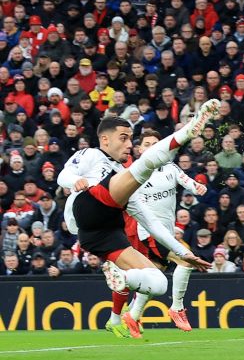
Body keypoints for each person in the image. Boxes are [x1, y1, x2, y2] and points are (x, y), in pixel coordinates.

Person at [57, 102, 218, 338]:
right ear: (105, 140)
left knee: (159, 282)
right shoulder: (92, 155)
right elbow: (63, 175)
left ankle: (122, 279)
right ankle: (188, 130)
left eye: (130, 138)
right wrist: (75, 181)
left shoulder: (124, 182)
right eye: (123, 138)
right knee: (144, 166)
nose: (128, 144)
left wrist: (183, 253)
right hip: (87, 206)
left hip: (103, 235)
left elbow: (152, 223)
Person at [125, 129, 208, 332]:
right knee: (186, 261)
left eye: (156, 143)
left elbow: (187, 182)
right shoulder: (135, 173)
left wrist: (197, 186)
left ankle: (132, 316)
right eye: (147, 144)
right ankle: (177, 307)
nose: (152, 147)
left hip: (166, 233)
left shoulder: (171, 168)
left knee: (155, 276)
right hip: (148, 232)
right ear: (139, 149)